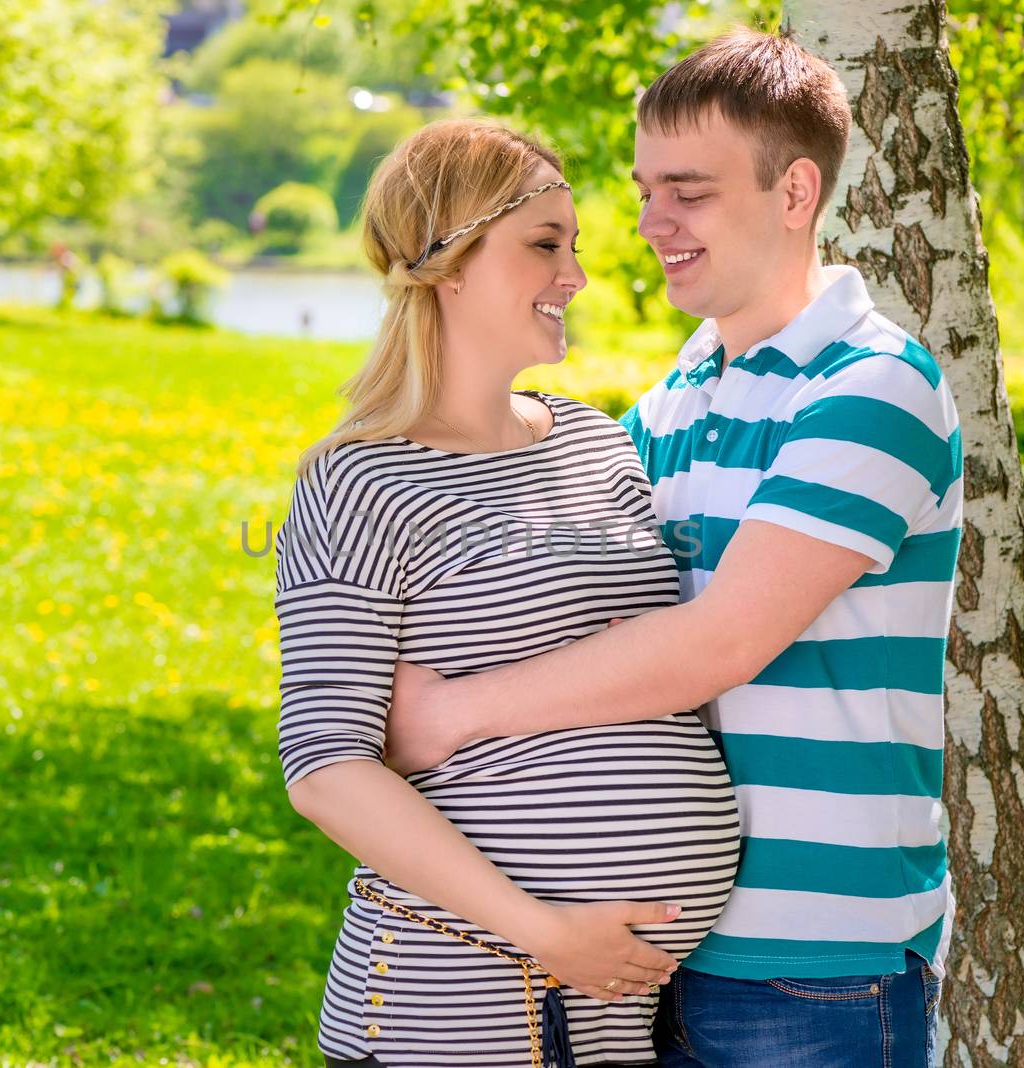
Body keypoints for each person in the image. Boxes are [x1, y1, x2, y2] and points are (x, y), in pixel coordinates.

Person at [383, 29, 963, 1068]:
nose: (651, 225)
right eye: (645, 190)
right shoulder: (668, 405)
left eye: (687, 191)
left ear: (794, 193)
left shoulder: (873, 389)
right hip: (645, 962)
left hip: (816, 970)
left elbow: (716, 644)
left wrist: (450, 712)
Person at [273, 117, 741, 1067]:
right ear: (446, 262)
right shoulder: (359, 481)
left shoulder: (597, 442)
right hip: (458, 1011)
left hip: (620, 1018)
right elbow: (326, 770)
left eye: (575, 247)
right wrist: (543, 929)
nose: (575, 275)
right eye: (543, 245)